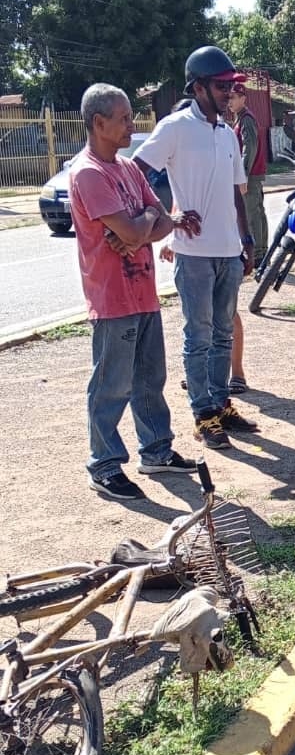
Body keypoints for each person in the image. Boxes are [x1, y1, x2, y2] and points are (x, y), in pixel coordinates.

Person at [69, 83, 196, 500]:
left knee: (149, 379)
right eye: (124, 118)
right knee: (111, 385)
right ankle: (103, 464)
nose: (132, 124)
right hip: (112, 299)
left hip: (142, 292)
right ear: (99, 123)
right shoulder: (88, 172)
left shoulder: (126, 168)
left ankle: (156, 450)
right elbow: (140, 225)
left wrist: (138, 227)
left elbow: (160, 221)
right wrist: (140, 226)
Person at [134, 46, 260, 451]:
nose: (229, 93)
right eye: (222, 86)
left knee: (224, 334)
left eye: (231, 87)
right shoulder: (175, 127)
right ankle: (203, 415)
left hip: (228, 250)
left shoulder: (226, 132)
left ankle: (221, 404)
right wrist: (166, 216)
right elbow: (137, 171)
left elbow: (236, 192)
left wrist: (247, 238)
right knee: (199, 336)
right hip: (193, 254)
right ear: (199, 87)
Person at [228, 82, 268, 261]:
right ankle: (261, 252)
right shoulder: (240, 118)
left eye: (234, 98)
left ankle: (259, 255)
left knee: (252, 214)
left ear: (243, 98)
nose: (230, 102)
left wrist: (242, 176)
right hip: (250, 174)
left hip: (249, 176)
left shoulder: (246, 119)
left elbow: (249, 148)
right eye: (229, 98)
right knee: (256, 212)